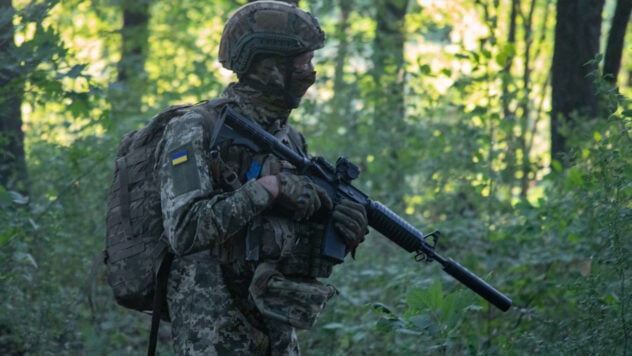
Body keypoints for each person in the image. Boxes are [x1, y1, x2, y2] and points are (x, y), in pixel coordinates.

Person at [157, 1, 368, 355]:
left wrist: (334, 235)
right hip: (213, 329)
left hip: (274, 329)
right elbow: (185, 230)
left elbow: (282, 248)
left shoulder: (290, 140)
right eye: (303, 61)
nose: (311, 72)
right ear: (268, 66)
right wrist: (268, 188)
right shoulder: (195, 128)